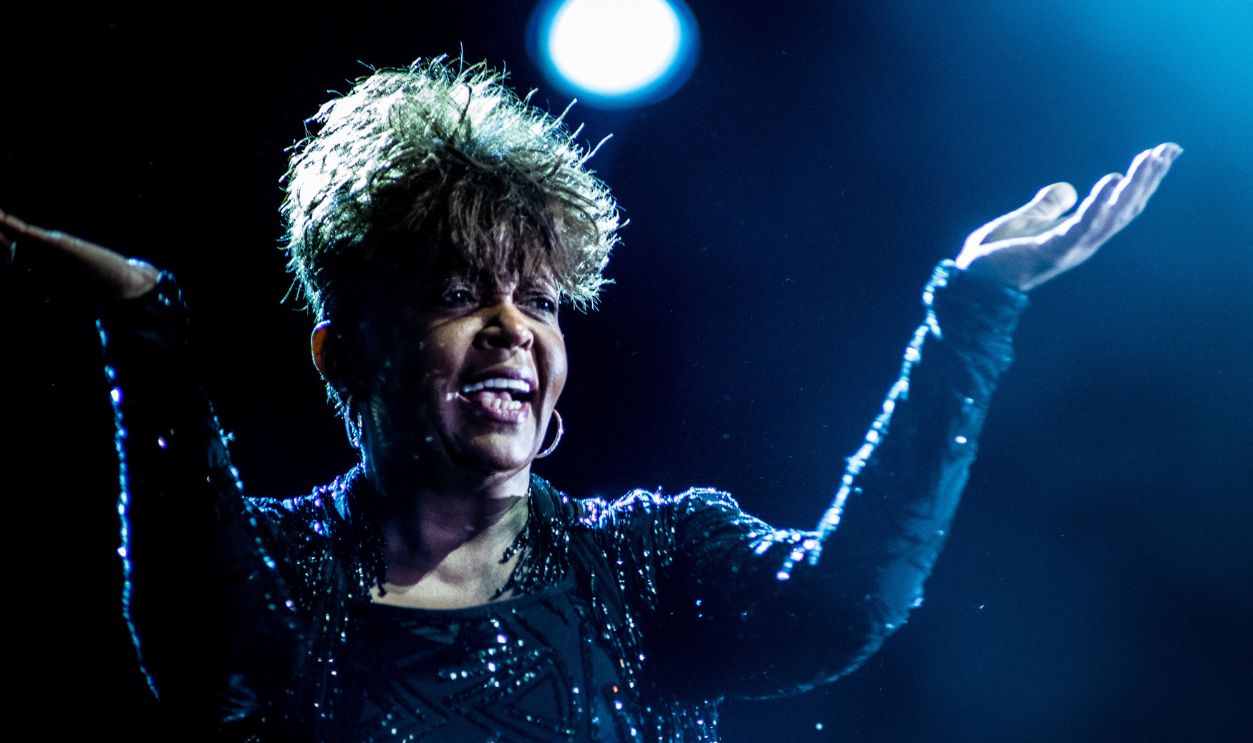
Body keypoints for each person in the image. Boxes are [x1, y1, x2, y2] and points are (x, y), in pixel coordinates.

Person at [0, 58, 1179, 741]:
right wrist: (146, 329)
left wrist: (968, 306)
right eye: (460, 294)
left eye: (540, 297)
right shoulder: (273, 572)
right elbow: (214, 650)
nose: (515, 328)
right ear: (340, 353)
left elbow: (843, 601)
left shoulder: (650, 563)